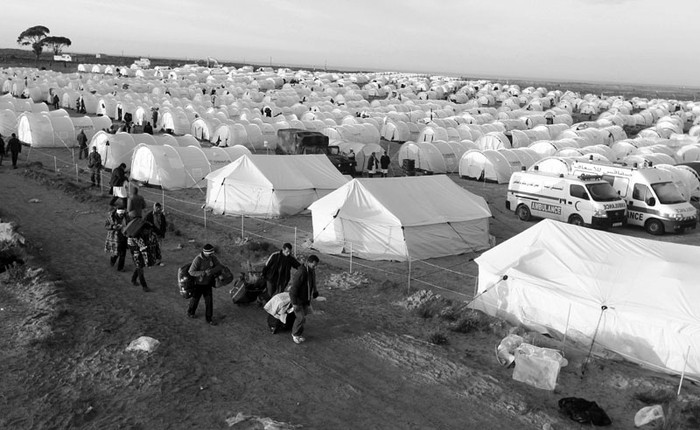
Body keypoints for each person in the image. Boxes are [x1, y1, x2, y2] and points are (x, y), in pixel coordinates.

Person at [187, 244, 224, 326]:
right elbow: (191, 272)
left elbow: (219, 266)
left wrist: (211, 271)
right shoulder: (198, 259)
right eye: (210, 253)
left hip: (208, 284)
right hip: (198, 284)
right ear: (206, 253)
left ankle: (209, 318)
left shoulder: (212, 258)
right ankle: (191, 312)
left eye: (212, 253)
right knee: (195, 300)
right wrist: (203, 273)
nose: (212, 255)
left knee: (209, 302)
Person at [289, 255, 320, 344]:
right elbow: (293, 289)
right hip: (298, 299)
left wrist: (315, 292)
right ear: (308, 263)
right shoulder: (301, 272)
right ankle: (294, 334)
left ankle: (298, 333)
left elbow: (312, 282)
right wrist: (294, 303)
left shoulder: (311, 271)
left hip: (305, 299)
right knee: (300, 318)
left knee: (303, 317)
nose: (315, 267)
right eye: (314, 265)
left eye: (316, 265)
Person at [127, 223, 153, 292]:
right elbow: (130, 245)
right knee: (140, 268)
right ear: (144, 229)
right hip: (136, 254)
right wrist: (138, 249)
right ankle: (144, 286)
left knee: (139, 266)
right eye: (148, 230)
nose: (149, 232)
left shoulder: (144, 235)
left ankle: (133, 279)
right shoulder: (135, 236)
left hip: (139, 253)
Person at [104, 201, 129, 272]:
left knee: (123, 254)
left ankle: (120, 268)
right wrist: (113, 227)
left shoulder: (126, 216)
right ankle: (113, 259)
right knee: (117, 253)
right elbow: (106, 226)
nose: (121, 215)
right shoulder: (111, 217)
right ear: (117, 213)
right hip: (115, 238)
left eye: (122, 214)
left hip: (124, 237)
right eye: (120, 214)